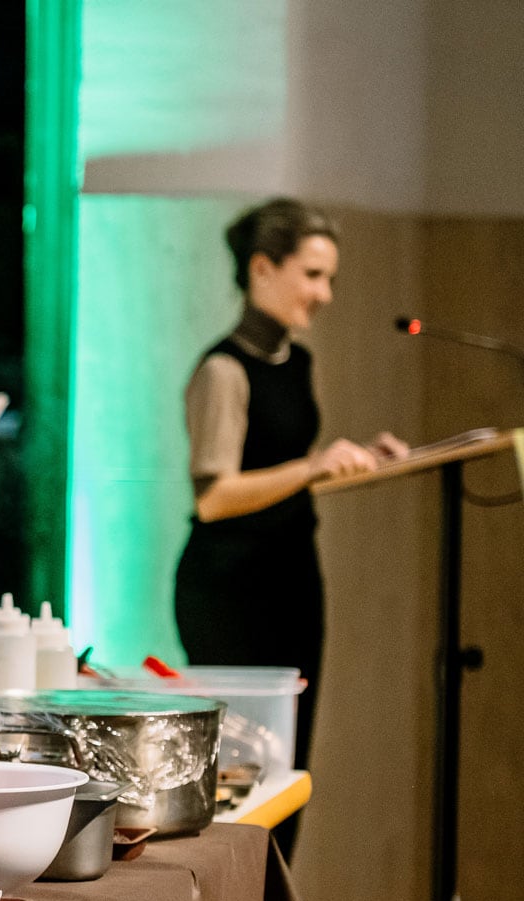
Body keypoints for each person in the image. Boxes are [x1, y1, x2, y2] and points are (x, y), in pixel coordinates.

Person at [174, 198, 406, 856]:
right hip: (230, 590)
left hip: (292, 579)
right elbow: (216, 496)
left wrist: (356, 462)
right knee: (245, 779)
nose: (324, 293)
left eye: (328, 277)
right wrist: (311, 466)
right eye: (311, 274)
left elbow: (288, 474)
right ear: (261, 268)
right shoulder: (222, 369)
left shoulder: (297, 364)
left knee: (291, 772)